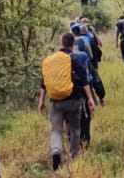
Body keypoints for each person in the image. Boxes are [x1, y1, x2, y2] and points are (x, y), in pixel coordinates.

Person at [38, 30, 96, 168]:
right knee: (75, 128)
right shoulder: (74, 58)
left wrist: (41, 101)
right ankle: (73, 156)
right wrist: (90, 98)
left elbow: (44, 82)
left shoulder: (51, 60)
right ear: (72, 44)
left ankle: (56, 151)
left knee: (56, 130)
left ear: (61, 43)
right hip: (73, 100)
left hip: (55, 101)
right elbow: (84, 80)